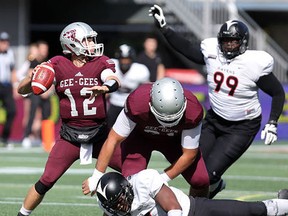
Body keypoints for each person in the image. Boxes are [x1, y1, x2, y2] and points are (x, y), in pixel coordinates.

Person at [149, 5, 285, 198]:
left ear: (243, 42)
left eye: (233, 41)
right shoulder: (213, 52)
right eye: (226, 41)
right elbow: (187, 49)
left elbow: (278, 93)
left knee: (209, 174)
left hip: (241, 127)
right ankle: (211, 188)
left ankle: (199, 203)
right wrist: (165, 29)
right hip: (214, 119)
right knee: (191, 164)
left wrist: (272, 122)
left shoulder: (254, 63)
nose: (228, 45)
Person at [16, 22, 122, 216]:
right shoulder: (57, 63)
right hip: (69, 137)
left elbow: (113, 79)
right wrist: (34, 77)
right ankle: (22, 214)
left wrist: (106, 87)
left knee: (133, 169)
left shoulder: (100, 62)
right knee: (46, 180)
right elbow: (21, 89)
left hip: (100, 135)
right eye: (87, 39)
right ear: (73, 43)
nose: (92, 43)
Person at [82, 77, 209, 198]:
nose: (166, 123)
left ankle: (196, 209)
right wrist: (97, 176)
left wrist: (161, 179)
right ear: (150, 103)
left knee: (201, 180)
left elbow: (189, 154)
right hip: (141, 138)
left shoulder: (193, 110)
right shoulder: (137, 102)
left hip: (174, 140)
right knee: (129, 188)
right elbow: (113, 139)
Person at [96, 169, 288, 216]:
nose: (120, 207)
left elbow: (174, 209)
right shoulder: (111, 206)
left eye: (120, 201)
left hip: (194, 211)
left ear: (127, 188)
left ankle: (284, 204)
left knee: (251, 211)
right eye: (113, 206)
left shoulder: (144, 181)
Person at [106, 43, 150, 128]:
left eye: (127, 59)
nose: (124, 62)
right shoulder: (111, 67)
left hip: (131, 105)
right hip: (114, 103)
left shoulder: (140, 70)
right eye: (122, 59)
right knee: (109, 127)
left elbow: (146, 90)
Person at [21, 40, 53, 148]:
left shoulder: (48, 63)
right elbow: (30, 77)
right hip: (34, 93)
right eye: (42, 49)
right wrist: (39, 90)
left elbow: (51, 79)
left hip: (45, 93)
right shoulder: (33, 61)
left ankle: (46, 139)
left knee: (46, 115)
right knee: (32, 114)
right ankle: (26, 137)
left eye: (46, 49)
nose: (44, 51)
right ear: (38, 50)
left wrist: (48, 91)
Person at [0, 31, 17, 148]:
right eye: (2, 41)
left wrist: (15, 86)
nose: (5, 44)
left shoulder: (10, 53)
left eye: (6, 42)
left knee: (12, 111)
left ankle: (4, 138)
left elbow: (12, 70)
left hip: (6, 86)